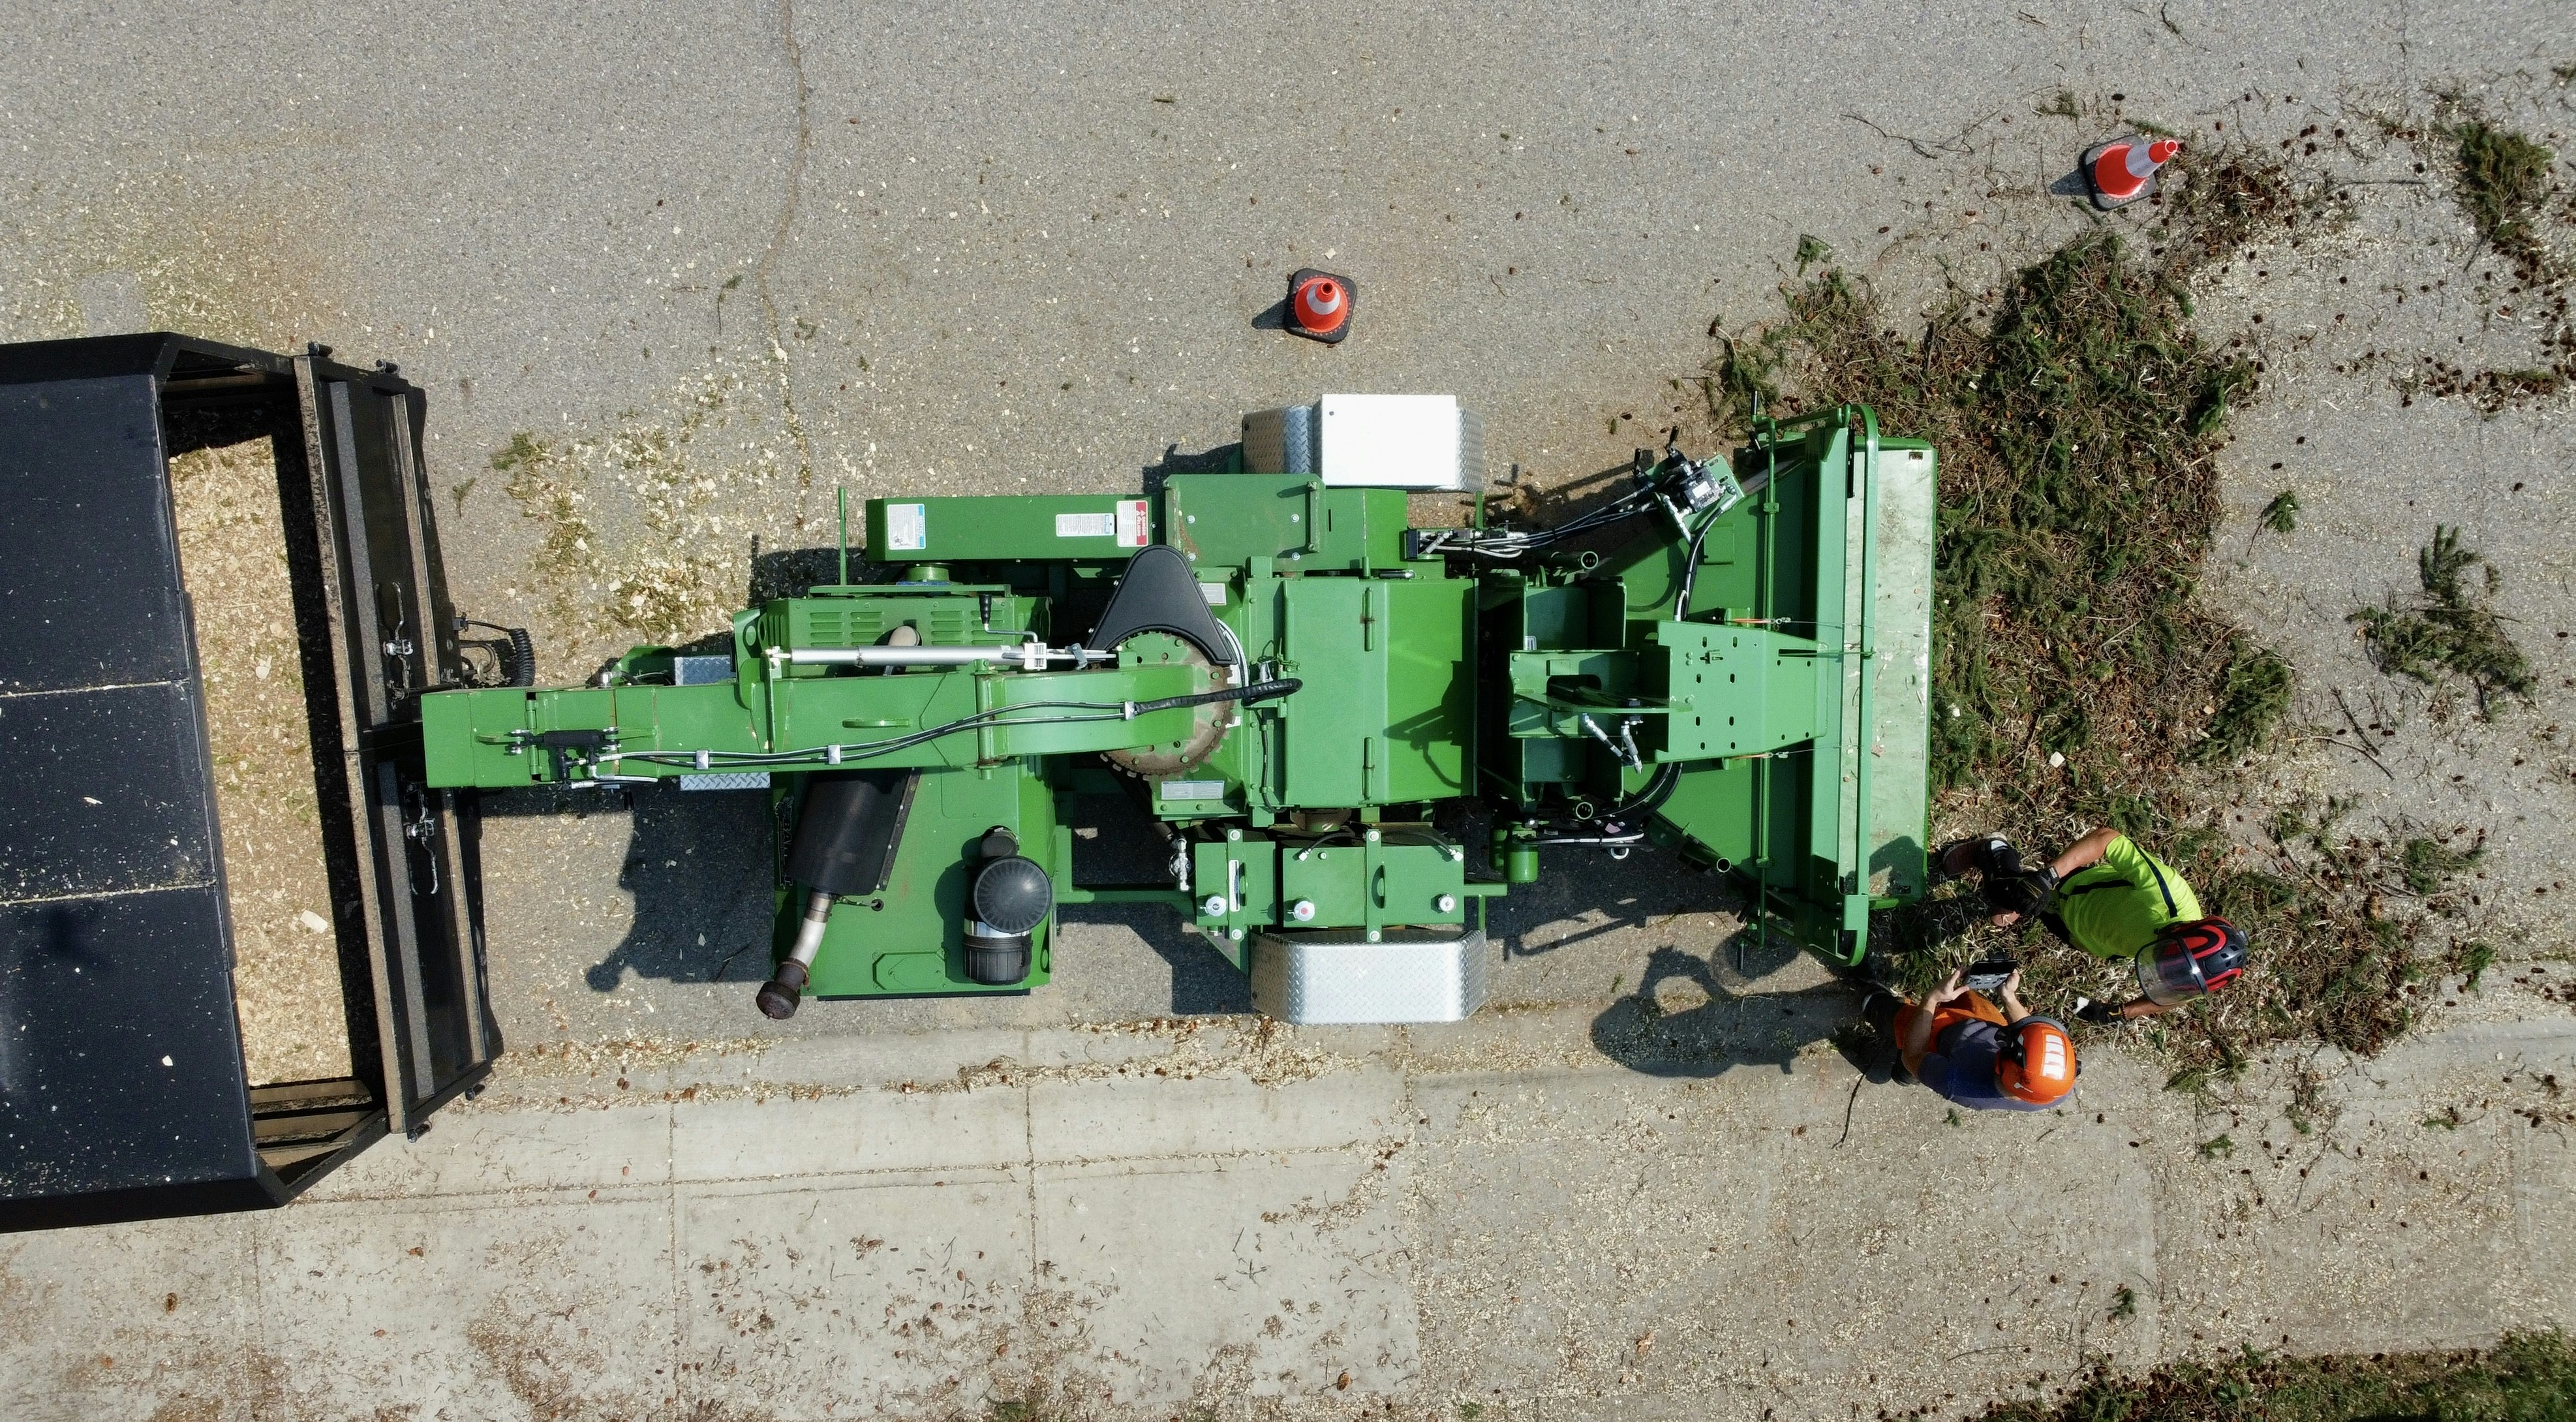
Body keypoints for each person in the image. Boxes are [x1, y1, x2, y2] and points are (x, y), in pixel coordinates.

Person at [1935, 826, 2248, 1023]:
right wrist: (2048, 878)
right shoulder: (2166, 892)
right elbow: (2107, 839)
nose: (2160, 968)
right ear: (2180, 930)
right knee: (2004, 894)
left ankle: (2026, 893)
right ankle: (1992, 849)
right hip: (2072, 890)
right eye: (2166, 959)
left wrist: (2123, 1012)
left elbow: (2172, 998)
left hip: (2082, 937)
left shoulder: (2195, 975)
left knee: (2014, 909)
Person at [1863, 968, 2076, 1112]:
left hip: (1938, 1039)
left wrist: (1931, 999)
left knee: (1889, 1017)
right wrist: (2009, 997)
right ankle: (1908, 1076)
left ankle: (1869, 995)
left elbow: (1913, 1054)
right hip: (1981, 1021)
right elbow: (2027, 1029)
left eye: (2009, 1041)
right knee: (1965, 996)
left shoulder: (1956, 1082)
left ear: (2001, 1062)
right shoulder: (2055, 1089)